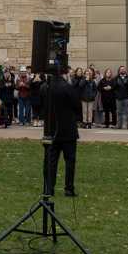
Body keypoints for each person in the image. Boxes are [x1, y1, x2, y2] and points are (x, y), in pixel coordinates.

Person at [40, 71, 79, 199]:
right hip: (67, 129)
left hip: (51, 129)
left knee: (51, 161)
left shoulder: (45, 88)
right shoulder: (67, 87)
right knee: (70, 161)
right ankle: (69, 188)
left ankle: (49, 188)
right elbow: (76, 105)